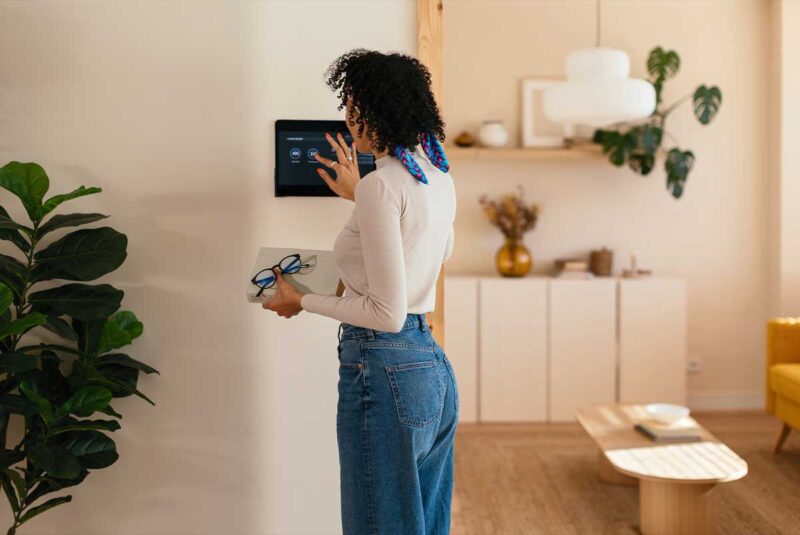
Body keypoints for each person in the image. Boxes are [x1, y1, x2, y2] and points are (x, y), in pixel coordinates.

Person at [262, 48, 459, 535]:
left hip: (384, 367)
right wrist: (361, 199)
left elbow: (385, 313)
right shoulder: (436, 179)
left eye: (349, 109)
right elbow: (429, 256)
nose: (348, 122)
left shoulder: (383, 186)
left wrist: (299, 299)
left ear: (364, 111)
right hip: (431, 369)